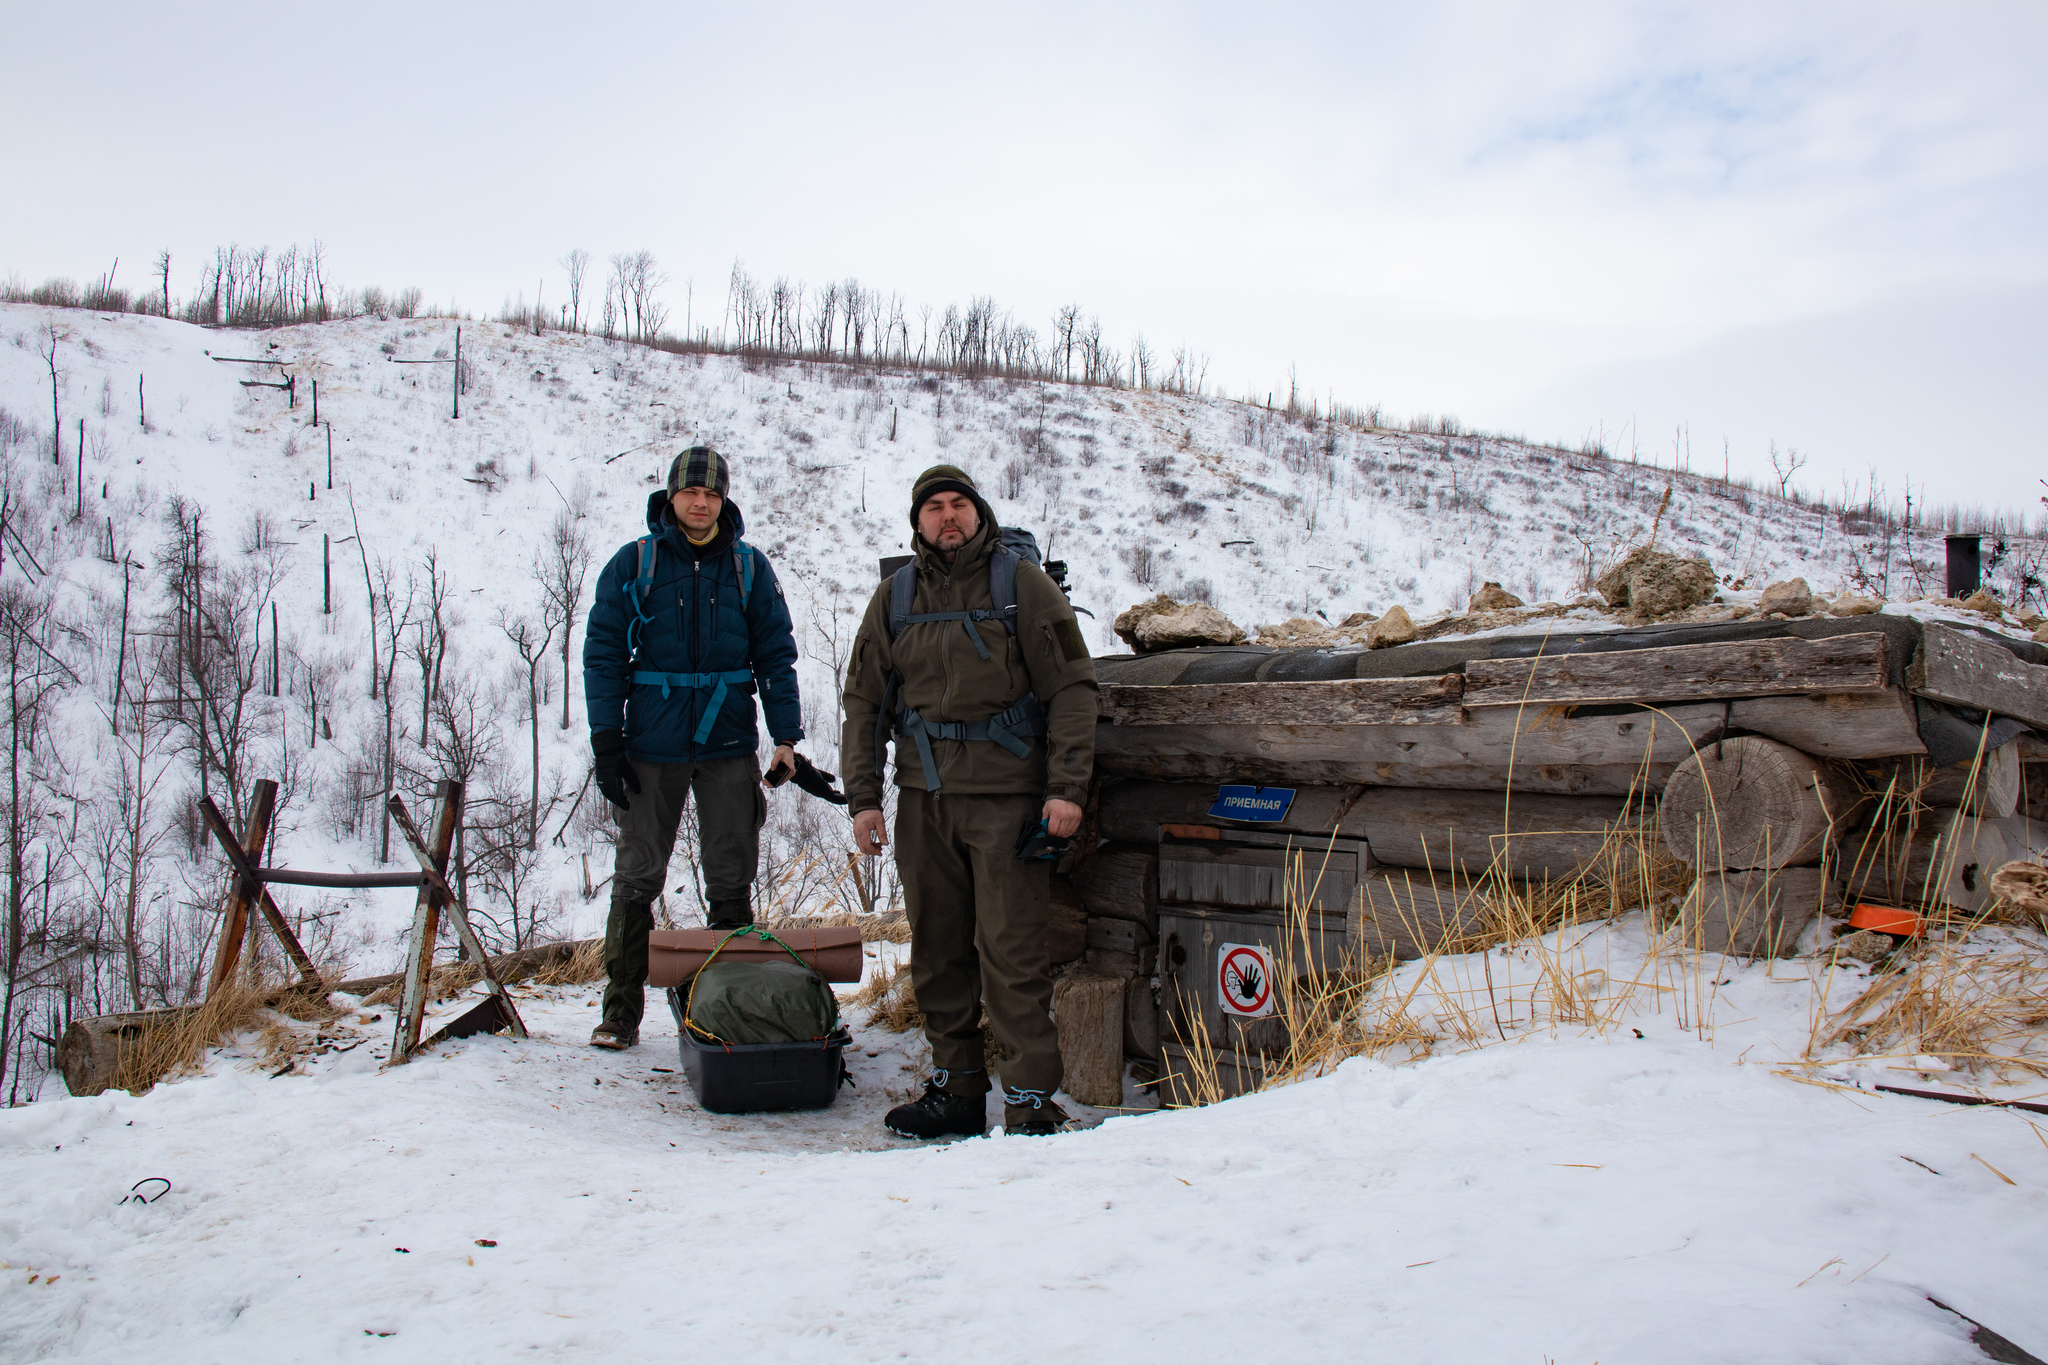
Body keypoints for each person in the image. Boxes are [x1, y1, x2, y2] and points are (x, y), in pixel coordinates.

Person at [842, 464, 1098, 1137]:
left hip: (1007, 801)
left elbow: (1072, 688)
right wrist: (863, 798)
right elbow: (864, 702)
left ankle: (1030, 1101)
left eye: (959, 504)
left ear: (979, 515)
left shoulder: (1022, 586)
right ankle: (956, 1090)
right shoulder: (894, 597)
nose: (947, 516)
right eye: (934, 507)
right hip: (922, 801)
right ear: (917, 521)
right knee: (937, 952)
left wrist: (1066, 788)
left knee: (1012, 953)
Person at [581, 445, 805, 1050]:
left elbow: (776, 655)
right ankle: (620, 1012)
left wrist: (786, 738)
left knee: (731, 873)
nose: (700, 503)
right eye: (690, 493)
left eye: (711, 494)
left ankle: (726, 1009)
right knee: (636, 876)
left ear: (723, 499)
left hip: (729, 739)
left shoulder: (749, 568)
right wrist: (607, 742)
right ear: (671, 497)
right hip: (651, 745)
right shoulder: (635, 564)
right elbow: (603, 654)